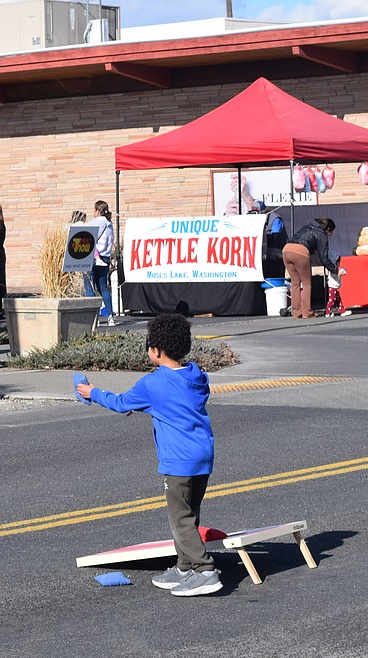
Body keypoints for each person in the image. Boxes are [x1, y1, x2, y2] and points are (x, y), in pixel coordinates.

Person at [75, 313, 220, 597]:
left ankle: (204, 570)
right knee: (190, 513)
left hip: (178, 461)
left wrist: (92, 392)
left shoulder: (152, 384)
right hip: (203, 456)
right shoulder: (196, 375)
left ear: (156, 350)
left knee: (180, 518)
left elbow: (119, 403)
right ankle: (185, 566)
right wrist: (145, 406)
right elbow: (173, 403)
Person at [282, 218, 337, 319]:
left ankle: (296, 312)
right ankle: (307, 312)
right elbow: (324, 258)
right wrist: (334, 269)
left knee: (295, 283)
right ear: (328, 229)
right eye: (331, 232)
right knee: (307, 283)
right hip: (300, 252)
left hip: (286, 250)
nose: (331, 234)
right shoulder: (322, 235)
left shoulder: (308, 227)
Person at [86, 200, 116, 326]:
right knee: (103, 288)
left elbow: (88, 238)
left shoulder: (95, 222)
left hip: (92, 257)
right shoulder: (110, 224)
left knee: (89, 286)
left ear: (97, 211)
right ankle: (110, 317)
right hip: (105, 257)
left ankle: (94, 318)